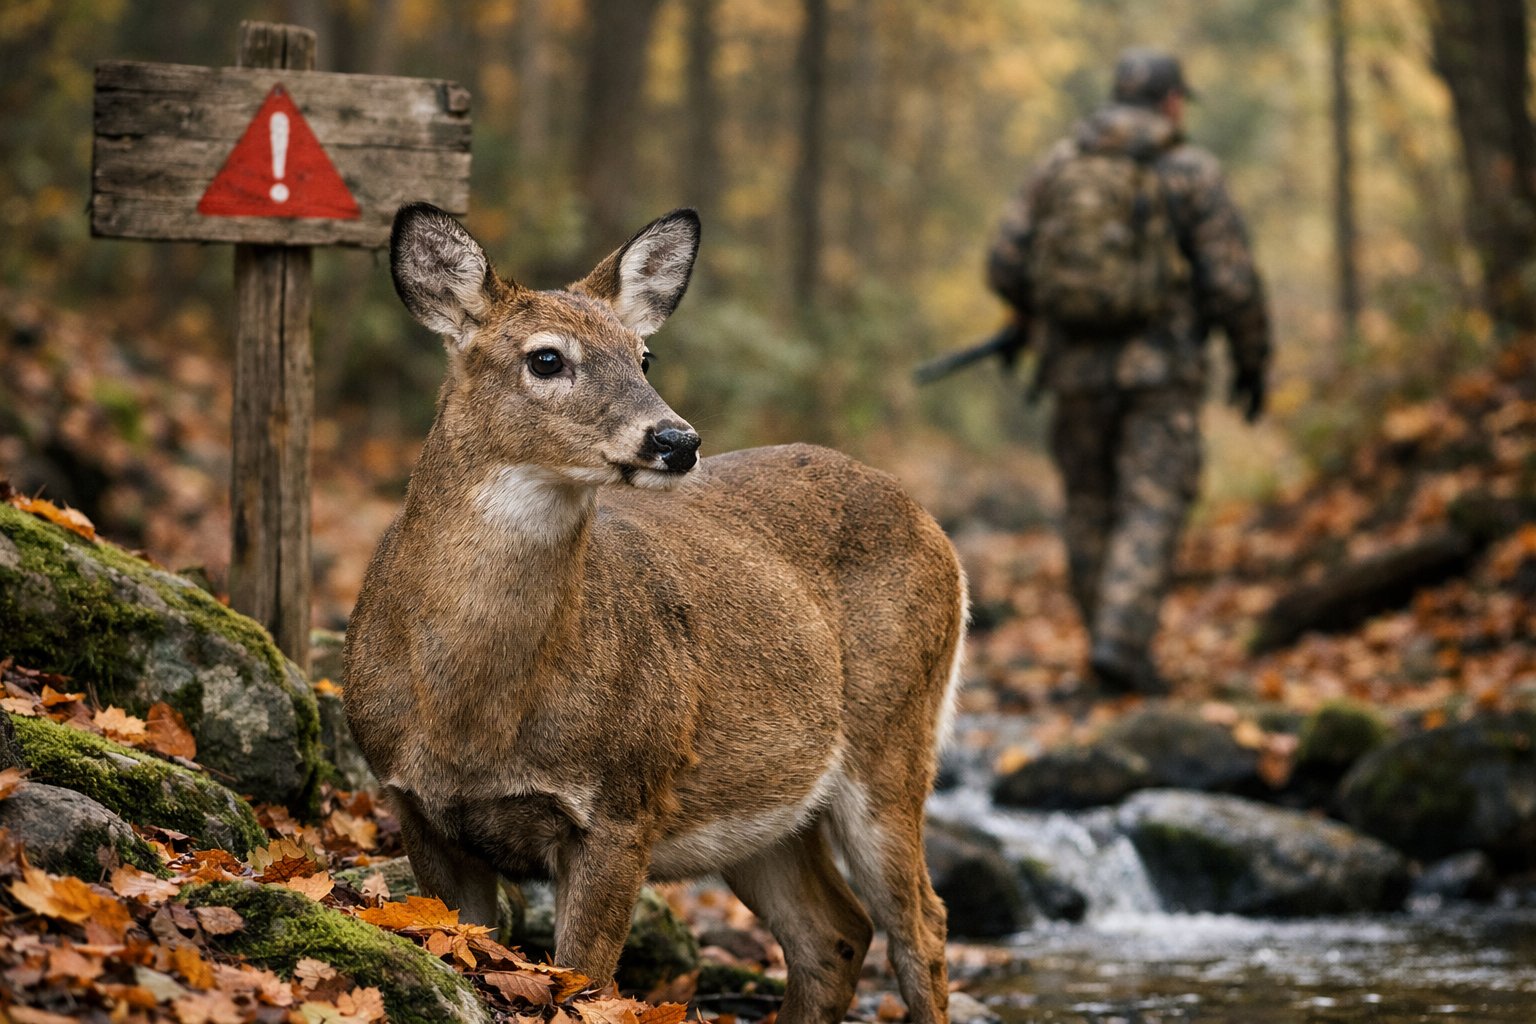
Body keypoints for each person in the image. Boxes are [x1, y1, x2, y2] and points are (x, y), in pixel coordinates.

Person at [985, 48, 1271, 695]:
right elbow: (1232, 281)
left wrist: (1033, 316)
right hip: (1161, 374)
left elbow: (1005, 263)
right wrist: (1252, 361)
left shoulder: (1061, 164)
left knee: (1089, 505)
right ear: (1171, 102)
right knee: (1152, 504)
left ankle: (1104, 646)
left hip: (1072, 374)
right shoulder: (1189, 169)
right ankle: (1121, 644)